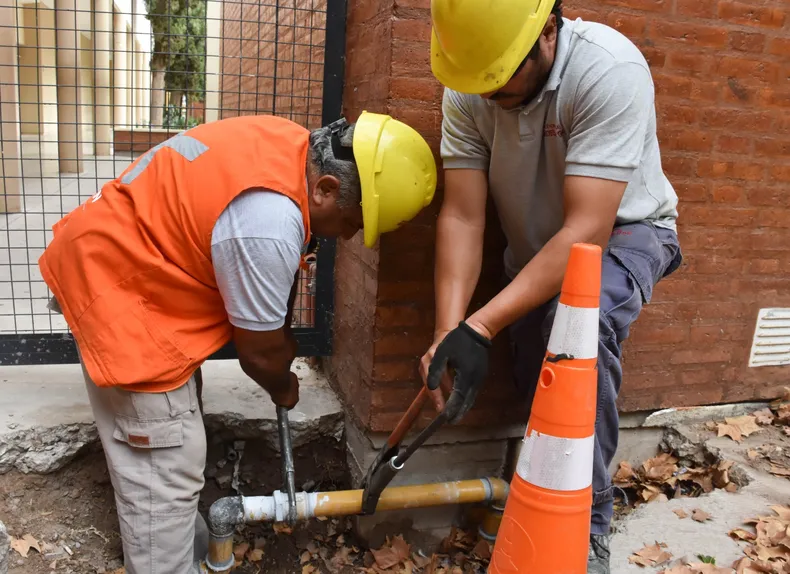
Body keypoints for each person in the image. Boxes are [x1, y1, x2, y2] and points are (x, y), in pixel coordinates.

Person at [38, 111, 437, 574]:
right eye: (351, 222)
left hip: (119, 257)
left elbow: (267, 320)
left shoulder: (289, 145)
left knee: (175, 439)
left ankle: (184, 547)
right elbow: (258, 353)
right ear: (326, 188)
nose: (348, 237)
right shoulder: (268, 221)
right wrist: (282, 385)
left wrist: (279, 341)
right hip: (122, 290)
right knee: (167, 460)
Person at [421, 1, 682, 572]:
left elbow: (588, 230)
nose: (487, 95)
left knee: (580, 326)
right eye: (479, 81)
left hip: (627, 232)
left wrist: (482, 323)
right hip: (541, 248)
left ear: (547, 31)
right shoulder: (471, 82)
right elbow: (463, 216)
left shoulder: (607, 69)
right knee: (537, 373)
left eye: (500, 78)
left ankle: (586, 531)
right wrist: (449, 331)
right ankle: (539, 493)